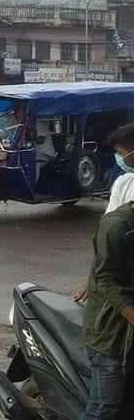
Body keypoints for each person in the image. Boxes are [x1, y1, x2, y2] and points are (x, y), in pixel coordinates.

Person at [73, 124, 134, 420]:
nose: (120, 158)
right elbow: (104, 255)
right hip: (110, 327)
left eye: (122, 153)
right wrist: (93, 278)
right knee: (104, 408)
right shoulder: (123, 196)